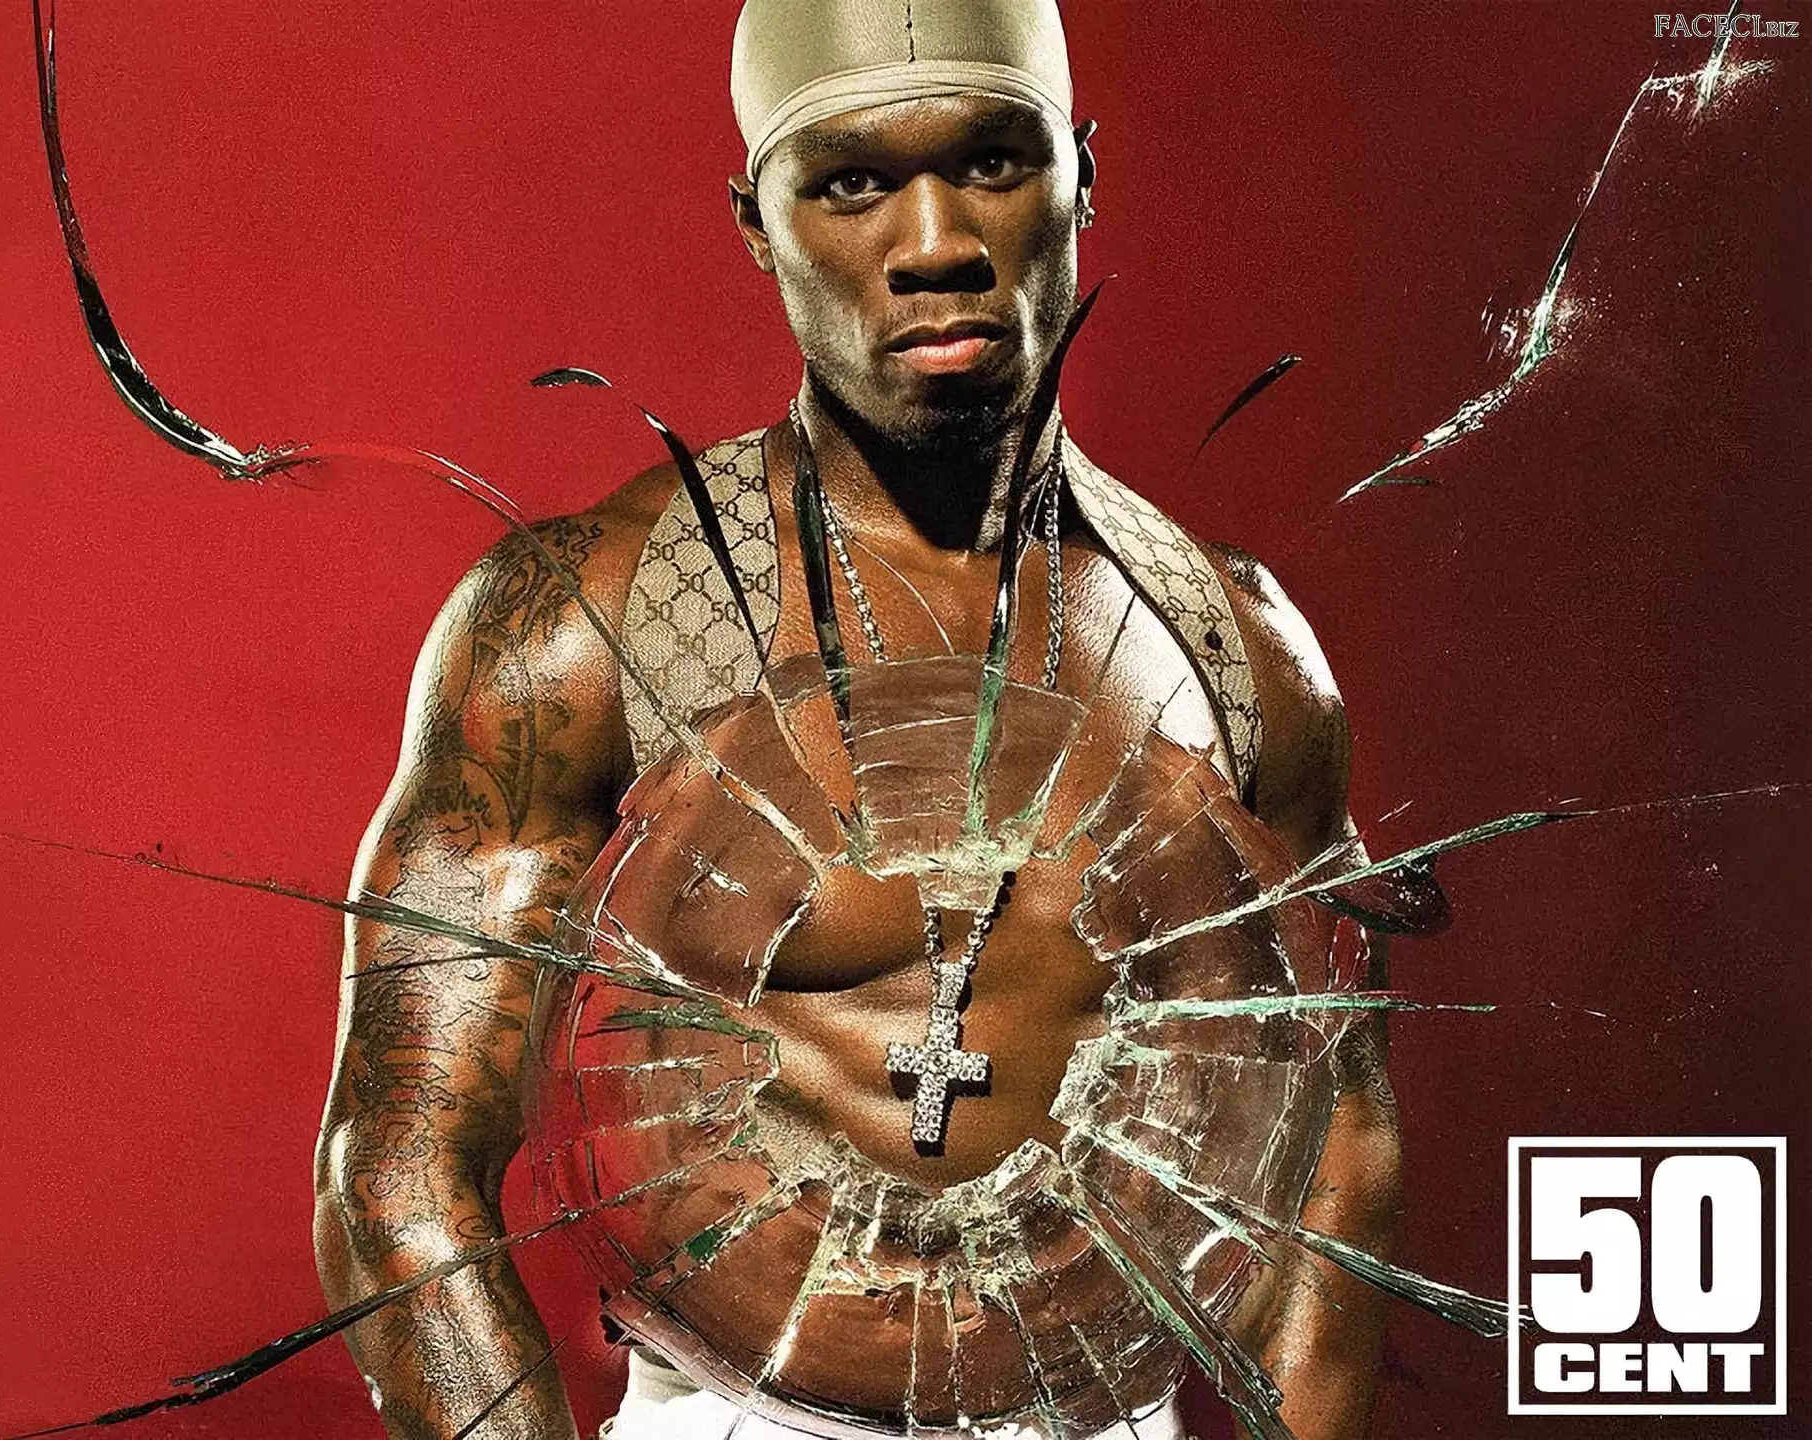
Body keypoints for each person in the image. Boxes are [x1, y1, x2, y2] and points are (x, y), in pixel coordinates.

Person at [313, 2, 1401, 1436]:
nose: (935, 242)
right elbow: (400, 1170)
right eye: (851, 183)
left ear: (1080, 176)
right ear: (756, 225)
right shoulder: (594, 622)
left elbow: (1333, 1161)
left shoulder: (1230, 644)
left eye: (993, 163)